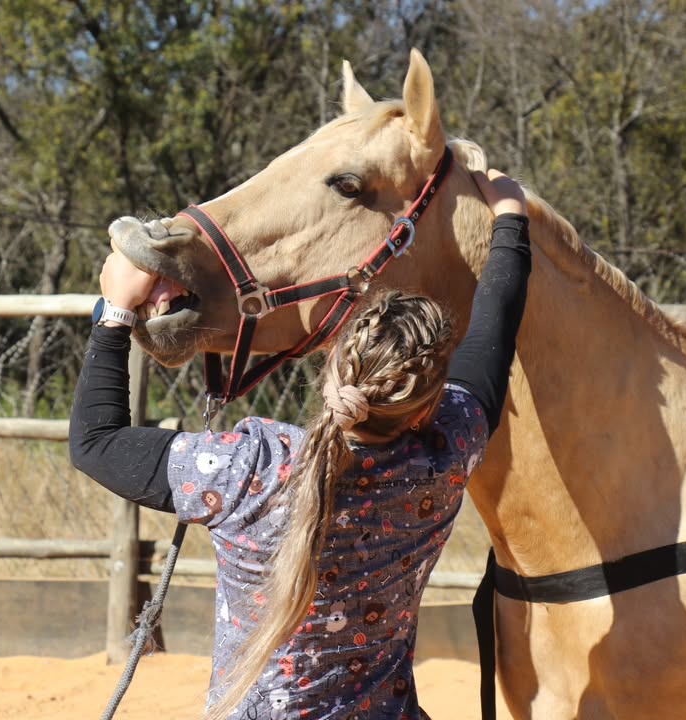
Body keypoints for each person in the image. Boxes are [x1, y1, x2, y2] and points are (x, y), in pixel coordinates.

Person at [69, 169, 530, 720]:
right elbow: (494, 328)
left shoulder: (247, 470)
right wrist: (511, 221)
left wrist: (117, 309)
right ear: (428, 403)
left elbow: (96, 442)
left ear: (334, 365)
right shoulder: (447, 453)